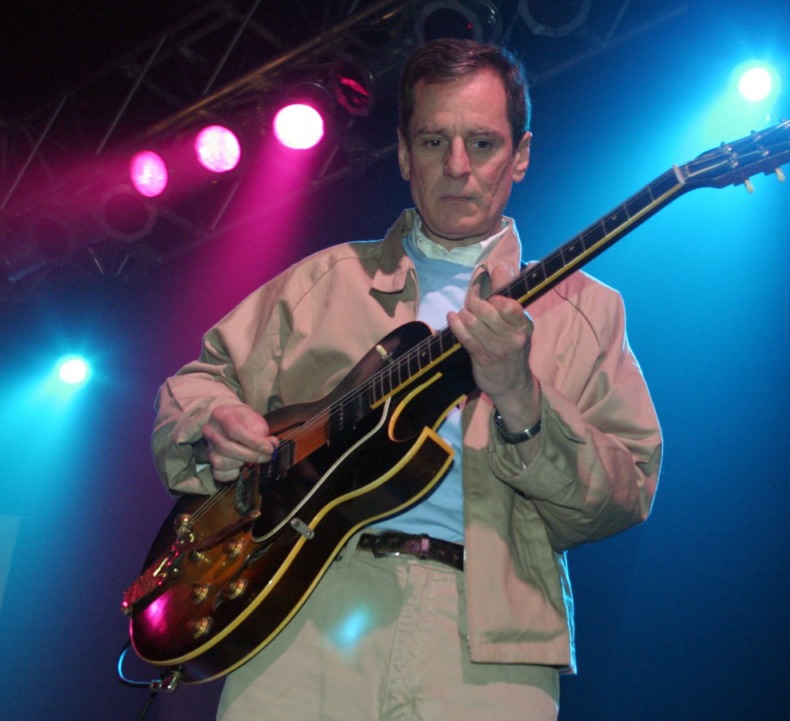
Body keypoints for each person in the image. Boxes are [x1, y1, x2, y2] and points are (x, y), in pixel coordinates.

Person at [152, 38, 662, 721]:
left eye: (482, 143)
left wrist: (521, 397)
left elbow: (623, 494)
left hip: (489, 646)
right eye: (432, 141)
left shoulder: (587, 310)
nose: (457, 167)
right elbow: (195, 383)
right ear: (401, 153)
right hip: (304, 611)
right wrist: (212, 419)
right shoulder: (323, 281)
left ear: (522, 155)